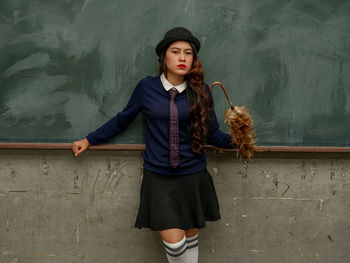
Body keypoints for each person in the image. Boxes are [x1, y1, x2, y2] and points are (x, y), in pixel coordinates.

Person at [72, 27, 235, 263]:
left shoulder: (202, 91)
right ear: (163, 57)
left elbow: (212, 134)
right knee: (176, 244)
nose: (182, 58)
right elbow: (122, 119)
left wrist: (239, 141)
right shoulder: (147, 87)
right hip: (158, 177)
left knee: (190, 238)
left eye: (188, 53)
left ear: (193, 59)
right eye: (175, 51)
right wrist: (89, 139)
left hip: (193, 175)